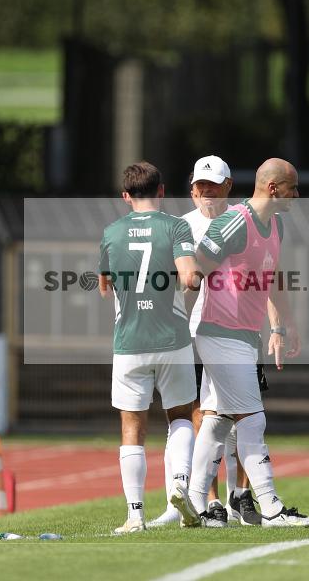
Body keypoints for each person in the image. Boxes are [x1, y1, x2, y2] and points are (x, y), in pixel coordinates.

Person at [186, 157, 309, 527]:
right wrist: (176, 326)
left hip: (246, 336)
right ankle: (273, 509)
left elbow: (272, 278)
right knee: (252, 419)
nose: (297, 195)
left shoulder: (275, 225)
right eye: (293, 187)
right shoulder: (234, 222)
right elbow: (194, 268)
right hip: (219, 333)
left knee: (217, 421)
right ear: (273, 188)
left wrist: (284, 325)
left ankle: (194, 502)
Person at [148, 155, 263, 528]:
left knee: (242, 415)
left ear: (228, 187)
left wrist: (276, 326)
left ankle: (240, 495)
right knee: (204, 417)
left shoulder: (244, 222)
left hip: (239, 332)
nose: (205, 193)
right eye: (199, 186)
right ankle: (211, 500)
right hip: (194, 334)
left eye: (213, 186)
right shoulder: (181, 227)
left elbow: (267, 277)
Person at [98, 161, 202, 534]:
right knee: (180, 416)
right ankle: (178, 483)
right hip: (172, 339)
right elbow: (189, 276)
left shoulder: (111, 232)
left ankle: (135, 514)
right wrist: (194, 277)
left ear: (126, 196)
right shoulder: (176, 226)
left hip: (129, 343)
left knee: (132, 428)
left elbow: (104, 284)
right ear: (161, 191)